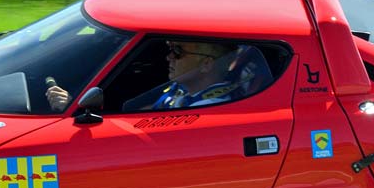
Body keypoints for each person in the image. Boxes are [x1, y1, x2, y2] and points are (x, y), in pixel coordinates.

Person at [43, 40, 270, 112]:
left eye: (178, 51)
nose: (169, 57)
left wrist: (77, 111)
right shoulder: (183, 92)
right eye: (170, 49)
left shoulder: (207, 107)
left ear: (206, 64)